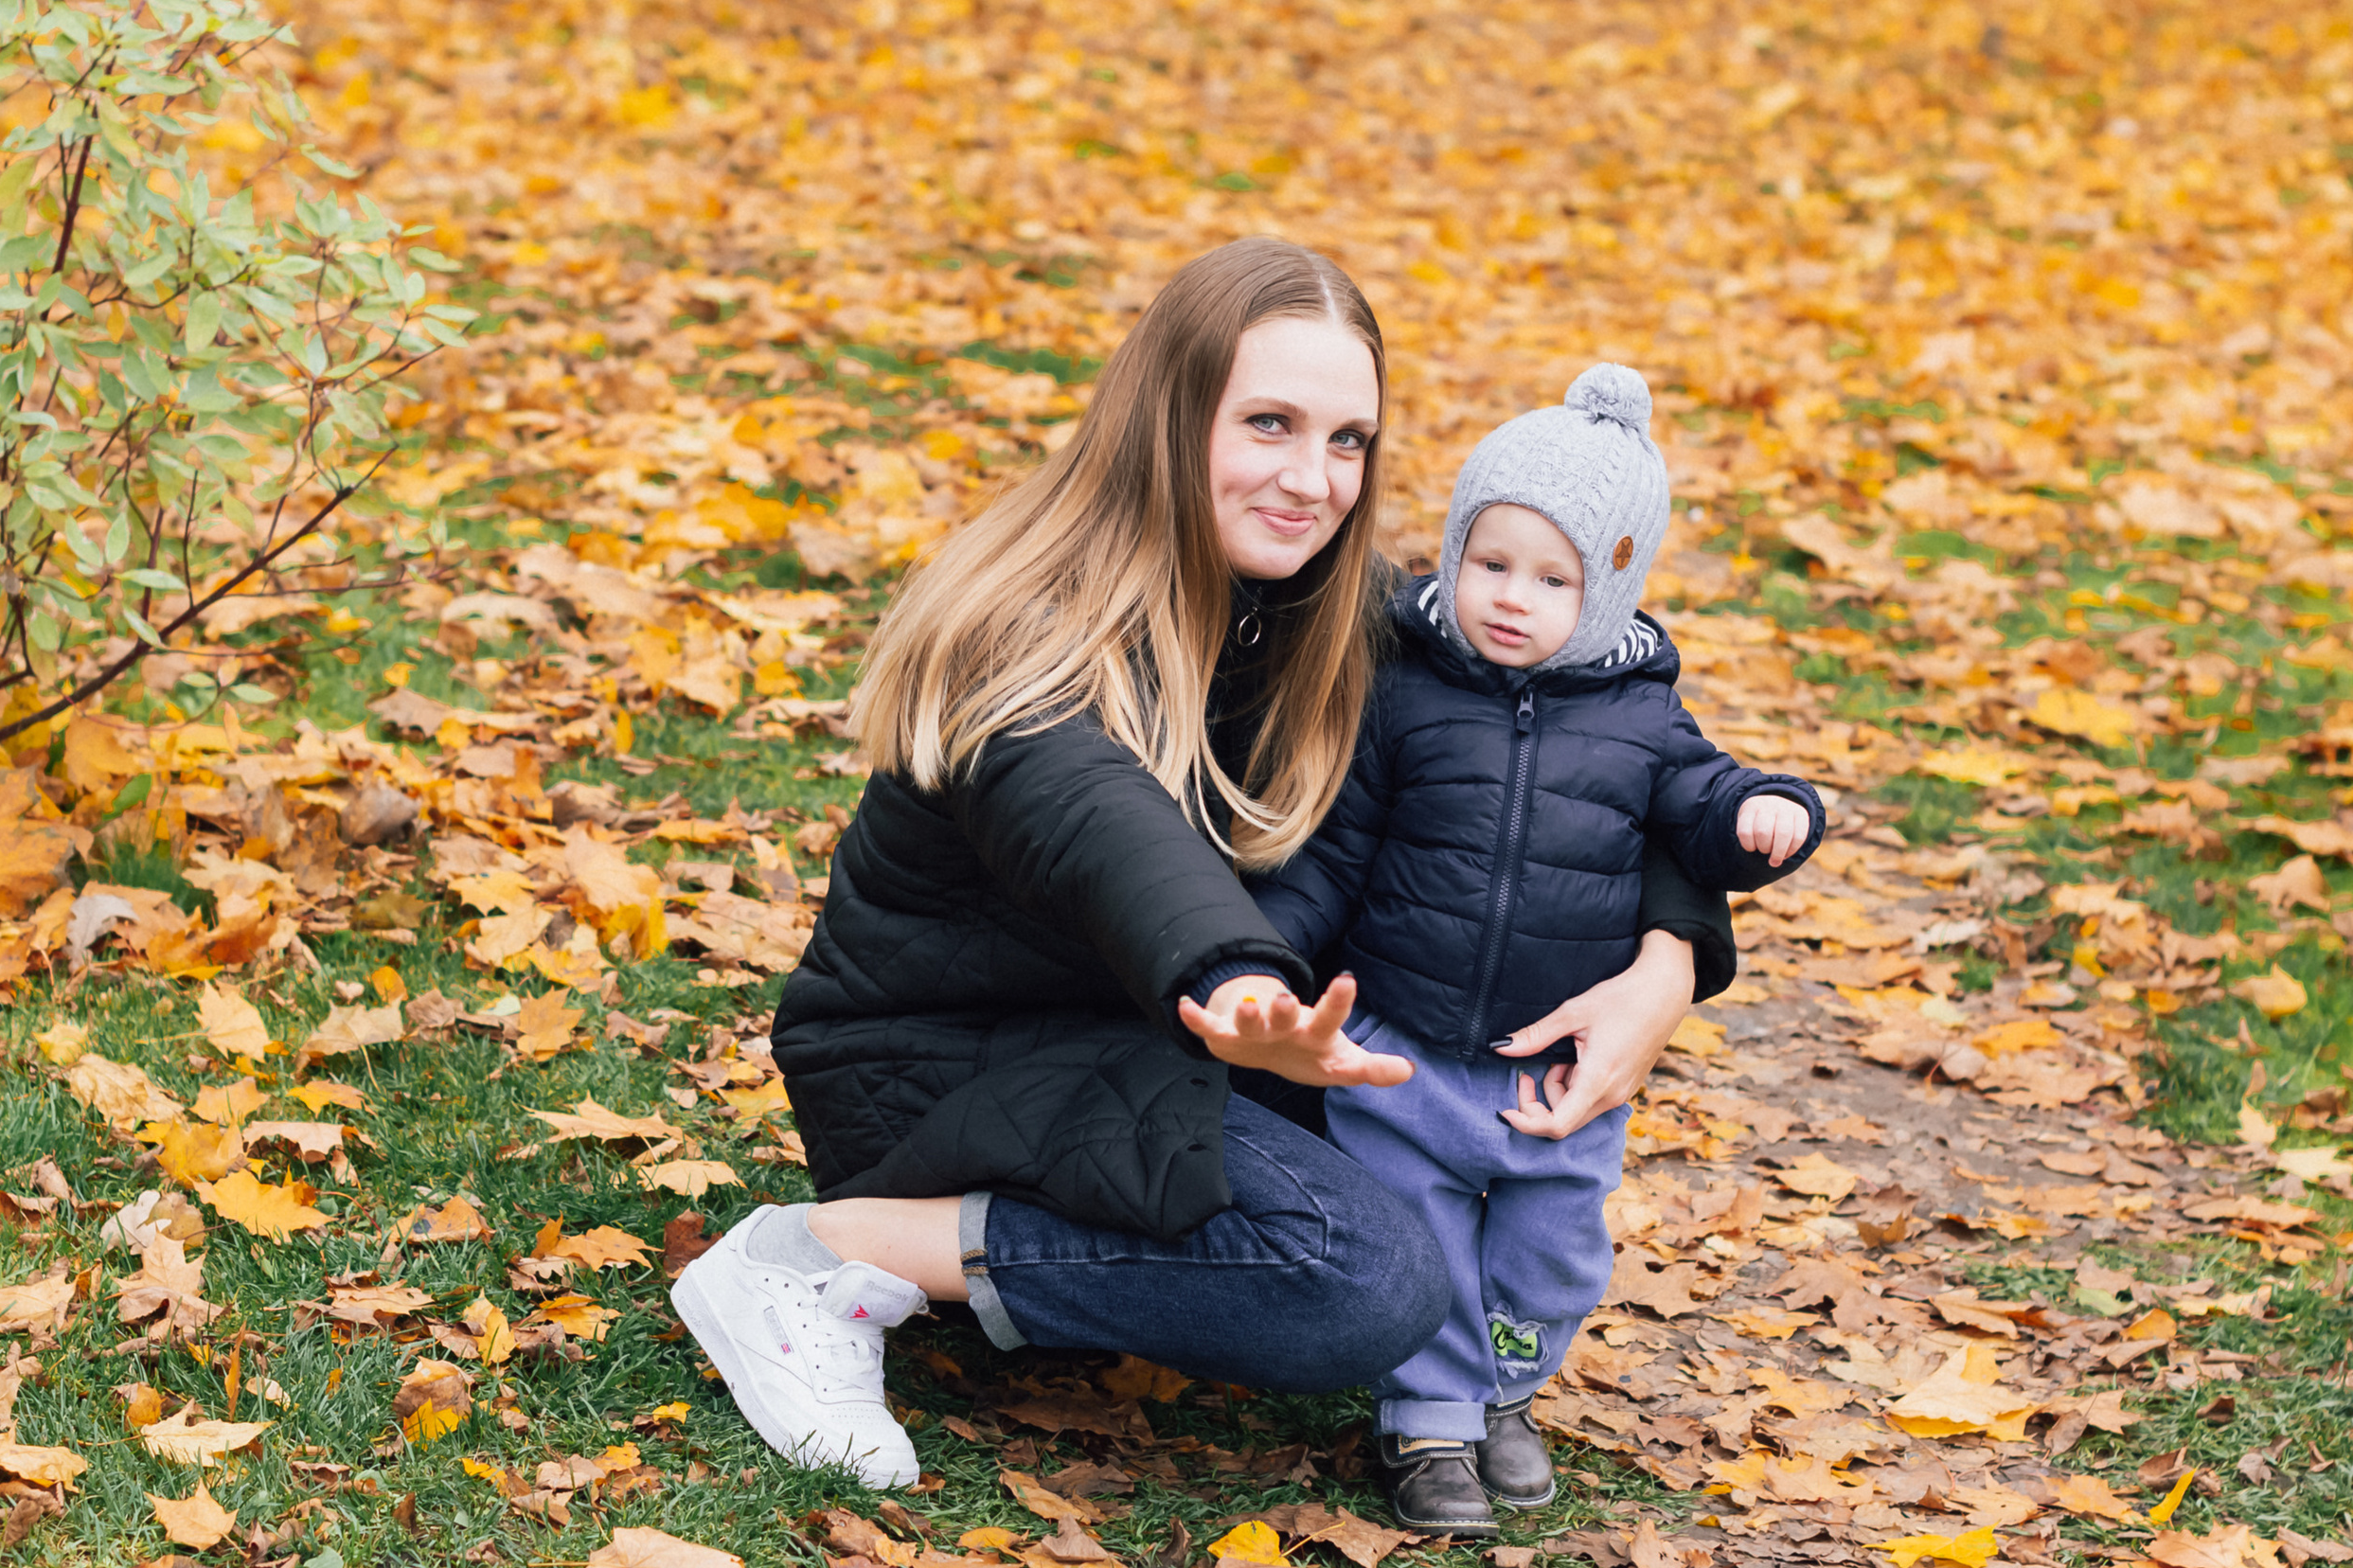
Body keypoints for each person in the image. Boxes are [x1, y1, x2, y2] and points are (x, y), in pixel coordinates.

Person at [669, 240, 1739, 1490]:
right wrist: (1241, 987)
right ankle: (814, 1257)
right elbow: (1101, 827)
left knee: (1431, 1148)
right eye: (1270, 423)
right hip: (952, 1062)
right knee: (1373, 1283)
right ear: (1175, 417)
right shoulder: (1025, 632)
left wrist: (1668, 962)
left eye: (1348, 440)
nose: (1312, 478)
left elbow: (1584, 751)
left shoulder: (1333, 614)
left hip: (1164, 1036)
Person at [1238, 364, 1824, 1535]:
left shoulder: (1642, 716)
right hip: (1401, 1049)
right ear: (1453, 550)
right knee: (1428, 1238)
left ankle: (1506, 1389)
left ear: (1606, 595)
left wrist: (1769, 813)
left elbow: (1704, 803)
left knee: (1553, 1253)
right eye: (1489, 562)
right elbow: (1336, 855)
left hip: (1549, 1071)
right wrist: (1269, 960)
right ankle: (1430, 1421)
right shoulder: (1402, 694)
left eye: (1552, 578)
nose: (1511, 597)